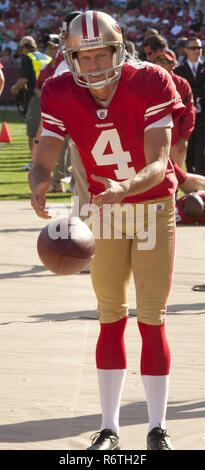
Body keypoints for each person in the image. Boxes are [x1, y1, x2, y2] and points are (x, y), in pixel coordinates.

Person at [29, 10, 185, 451]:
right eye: (87, 57)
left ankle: (157, 427)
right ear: (71, 58)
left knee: (152, 319)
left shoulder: (152, 80)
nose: (96, 65)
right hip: (106, 211)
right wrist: (38, 180)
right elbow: (46, 155)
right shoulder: (58, 90)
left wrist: (125, 187)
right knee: (110, 317)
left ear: (118, 50)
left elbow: (158, 164)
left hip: (152, 206)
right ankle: (110, 428)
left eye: (103, 55)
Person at [11, 35, 51, 171]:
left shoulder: (27, 58)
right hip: (51, 96)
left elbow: (23, 80)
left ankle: (34, 162)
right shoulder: (46, 56)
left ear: (23, 47)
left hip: (37, 97)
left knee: (32, 131)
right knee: (48, 131)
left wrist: (14, 88)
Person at [154, 49, 195, 168]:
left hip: (175, 142)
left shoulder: (182, 84)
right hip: (153, 141)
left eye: (165, 60)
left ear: (173, 64)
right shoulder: (148, 82)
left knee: (176, 180)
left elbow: (189, 113)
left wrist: (184, 138)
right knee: (155, 181)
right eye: (158, 60)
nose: (160, 63)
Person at [175, 36, 205, 176]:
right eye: (193, 48)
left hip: (203, 115)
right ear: (185, 50)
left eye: (199, 47)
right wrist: (198, 91)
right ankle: (191, 184)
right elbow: (178, 91)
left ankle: (201, 182)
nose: (197, 51)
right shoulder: (179, 70)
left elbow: (185, 91)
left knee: (201, 151)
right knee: (189, 151)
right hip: (186, 117)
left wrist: (190, 91)